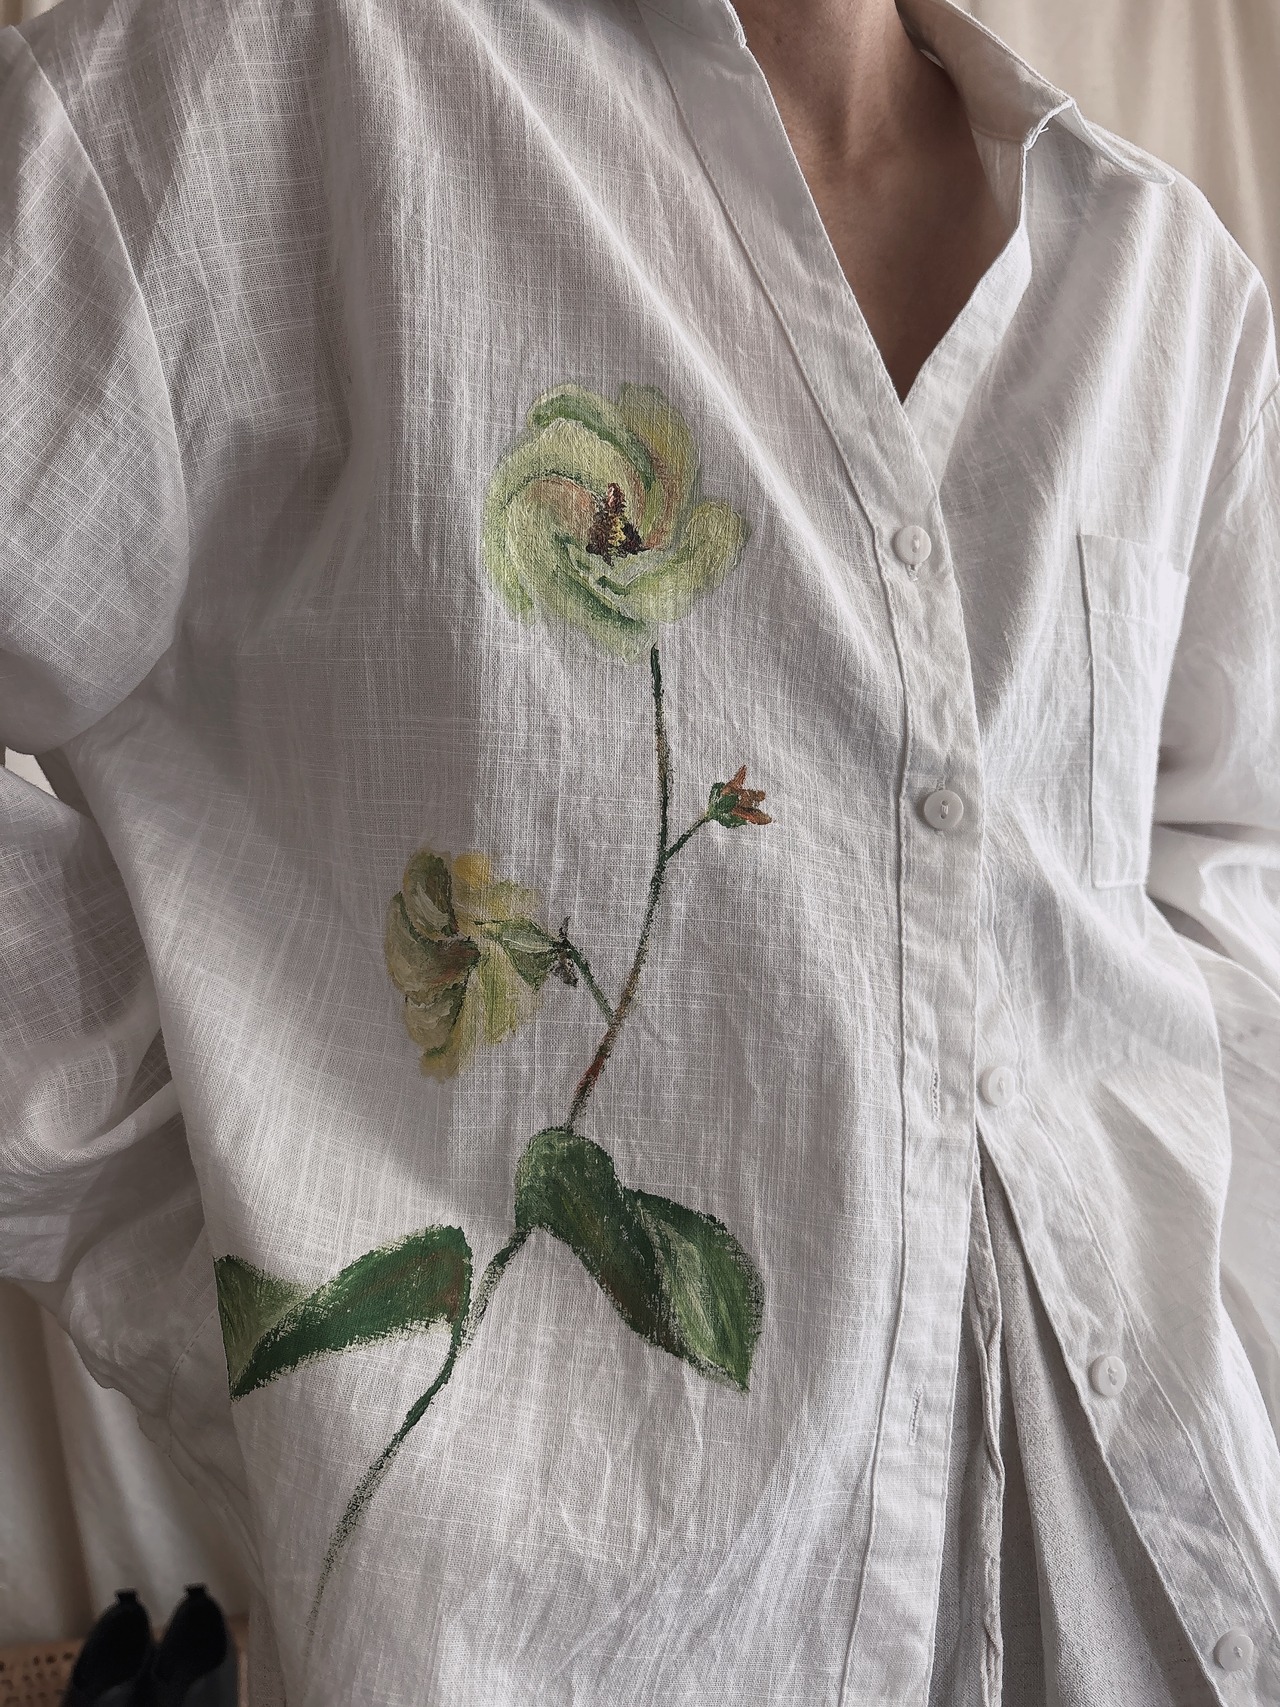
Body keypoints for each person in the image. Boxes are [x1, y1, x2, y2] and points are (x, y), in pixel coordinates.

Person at [2, 0, 1278, 1700]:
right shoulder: (254, 87)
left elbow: (1227, 872)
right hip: (578, 1643)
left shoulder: (1165, 284)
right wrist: (241, 1239)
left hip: (1174, 1582)